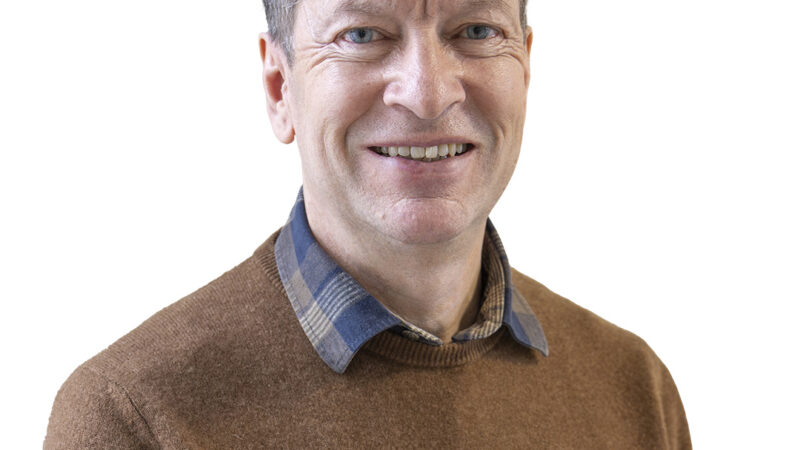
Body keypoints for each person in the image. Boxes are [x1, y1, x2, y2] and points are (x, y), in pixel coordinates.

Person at [44, 0, 691, 447]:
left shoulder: (633, 388)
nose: (428, 92)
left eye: (473, 30)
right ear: (279, 86)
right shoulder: (135, 417)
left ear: (526, 63)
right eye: (362, 33)